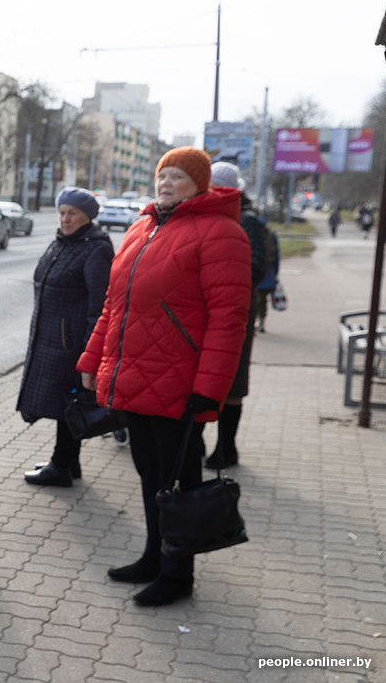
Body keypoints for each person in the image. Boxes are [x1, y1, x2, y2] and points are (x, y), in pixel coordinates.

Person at [76, 147, 251, 607]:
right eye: (162, 176)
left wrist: (209, 389)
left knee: (179, 479)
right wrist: (93, 362)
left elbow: (228, 318)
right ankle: (154, 556)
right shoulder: (142, 227)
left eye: (177, 176)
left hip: (181, 382)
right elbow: (115, 307)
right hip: (135, 376)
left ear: (200, 184)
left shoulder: (221, 232)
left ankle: (178, 574)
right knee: (150, 473)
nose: (166, 183)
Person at [18, 187, 114, 487]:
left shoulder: (96, 248)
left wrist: (89, 350)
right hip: (54, 339)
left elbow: (100, 304)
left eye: (72, 213)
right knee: (64, 402)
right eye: (62, 212)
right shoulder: (62, 243)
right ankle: (69, 463)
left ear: (87, 216)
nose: (65, 218)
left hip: (72, 342)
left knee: (69, 402)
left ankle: (60, 465)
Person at [201, 162, 267, 470]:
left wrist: (222, 280)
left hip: (235, 313)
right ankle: (197, 441)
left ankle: (227, 449)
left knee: (232, 384)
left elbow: (255, 269)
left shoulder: (248, 220)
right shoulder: (204, 215)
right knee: (202, 379)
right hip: (203, 311)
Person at [255, 217, 280, 333]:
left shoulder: (251, 231)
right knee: (263, 299)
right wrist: (275, 273)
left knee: (253, 299)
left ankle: (253, 322)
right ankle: (261, 322)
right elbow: (276, 255)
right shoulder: (271, 234)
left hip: (253, 270)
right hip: (268, 272)